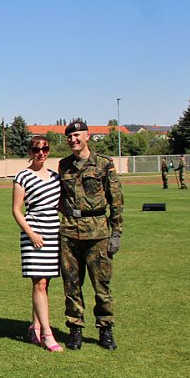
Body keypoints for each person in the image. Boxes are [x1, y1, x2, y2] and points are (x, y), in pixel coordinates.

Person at [58, 120, 124, 350]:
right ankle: (75, 328)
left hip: (97, 232)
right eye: (69, 136)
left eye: (77, 135)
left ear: (87, 136)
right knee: (71, 285)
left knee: (101, 286)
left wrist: (116, 232)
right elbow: (59, 199)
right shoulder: (63, 165)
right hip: (69, 232)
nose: (73, 140)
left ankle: (105, 329)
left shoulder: (104, 164)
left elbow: (116, 200)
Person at [12, 136, 63, 352]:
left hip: (53, 232)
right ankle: (47, 334)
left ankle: (35, 326)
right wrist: (31, 233)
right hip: (34, 232)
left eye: (44, 149)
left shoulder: (54, 177)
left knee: (46, 283)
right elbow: (16, 209)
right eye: (36, 149)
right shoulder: (22, 177)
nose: (40, 153)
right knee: (39, 283)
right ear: (30, 151)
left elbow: (60, 205)